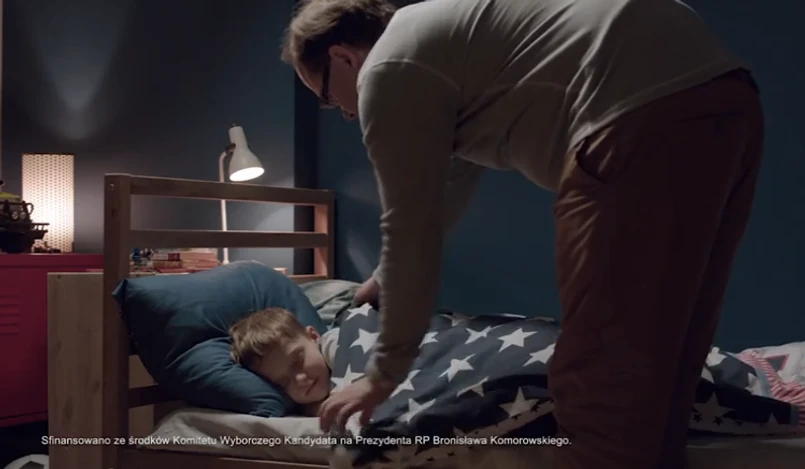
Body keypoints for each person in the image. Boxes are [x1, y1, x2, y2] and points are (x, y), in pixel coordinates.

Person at [280, 0, 765, 467]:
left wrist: (382, 376)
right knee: (666, 360)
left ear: (343, 57)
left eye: (326, 97)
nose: (343, 113)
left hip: (636, 110)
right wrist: (386, 278)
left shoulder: (387, 70)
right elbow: (444, 190)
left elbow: (411, 229)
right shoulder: (441, 45)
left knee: (597, 382)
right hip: (723, 95)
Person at [229, 308, 339, 416]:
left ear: (313, 337)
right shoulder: (305, 406)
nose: (300, 380)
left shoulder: (334, 343)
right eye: (284, 382)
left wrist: (350, 393)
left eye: (298, 362)